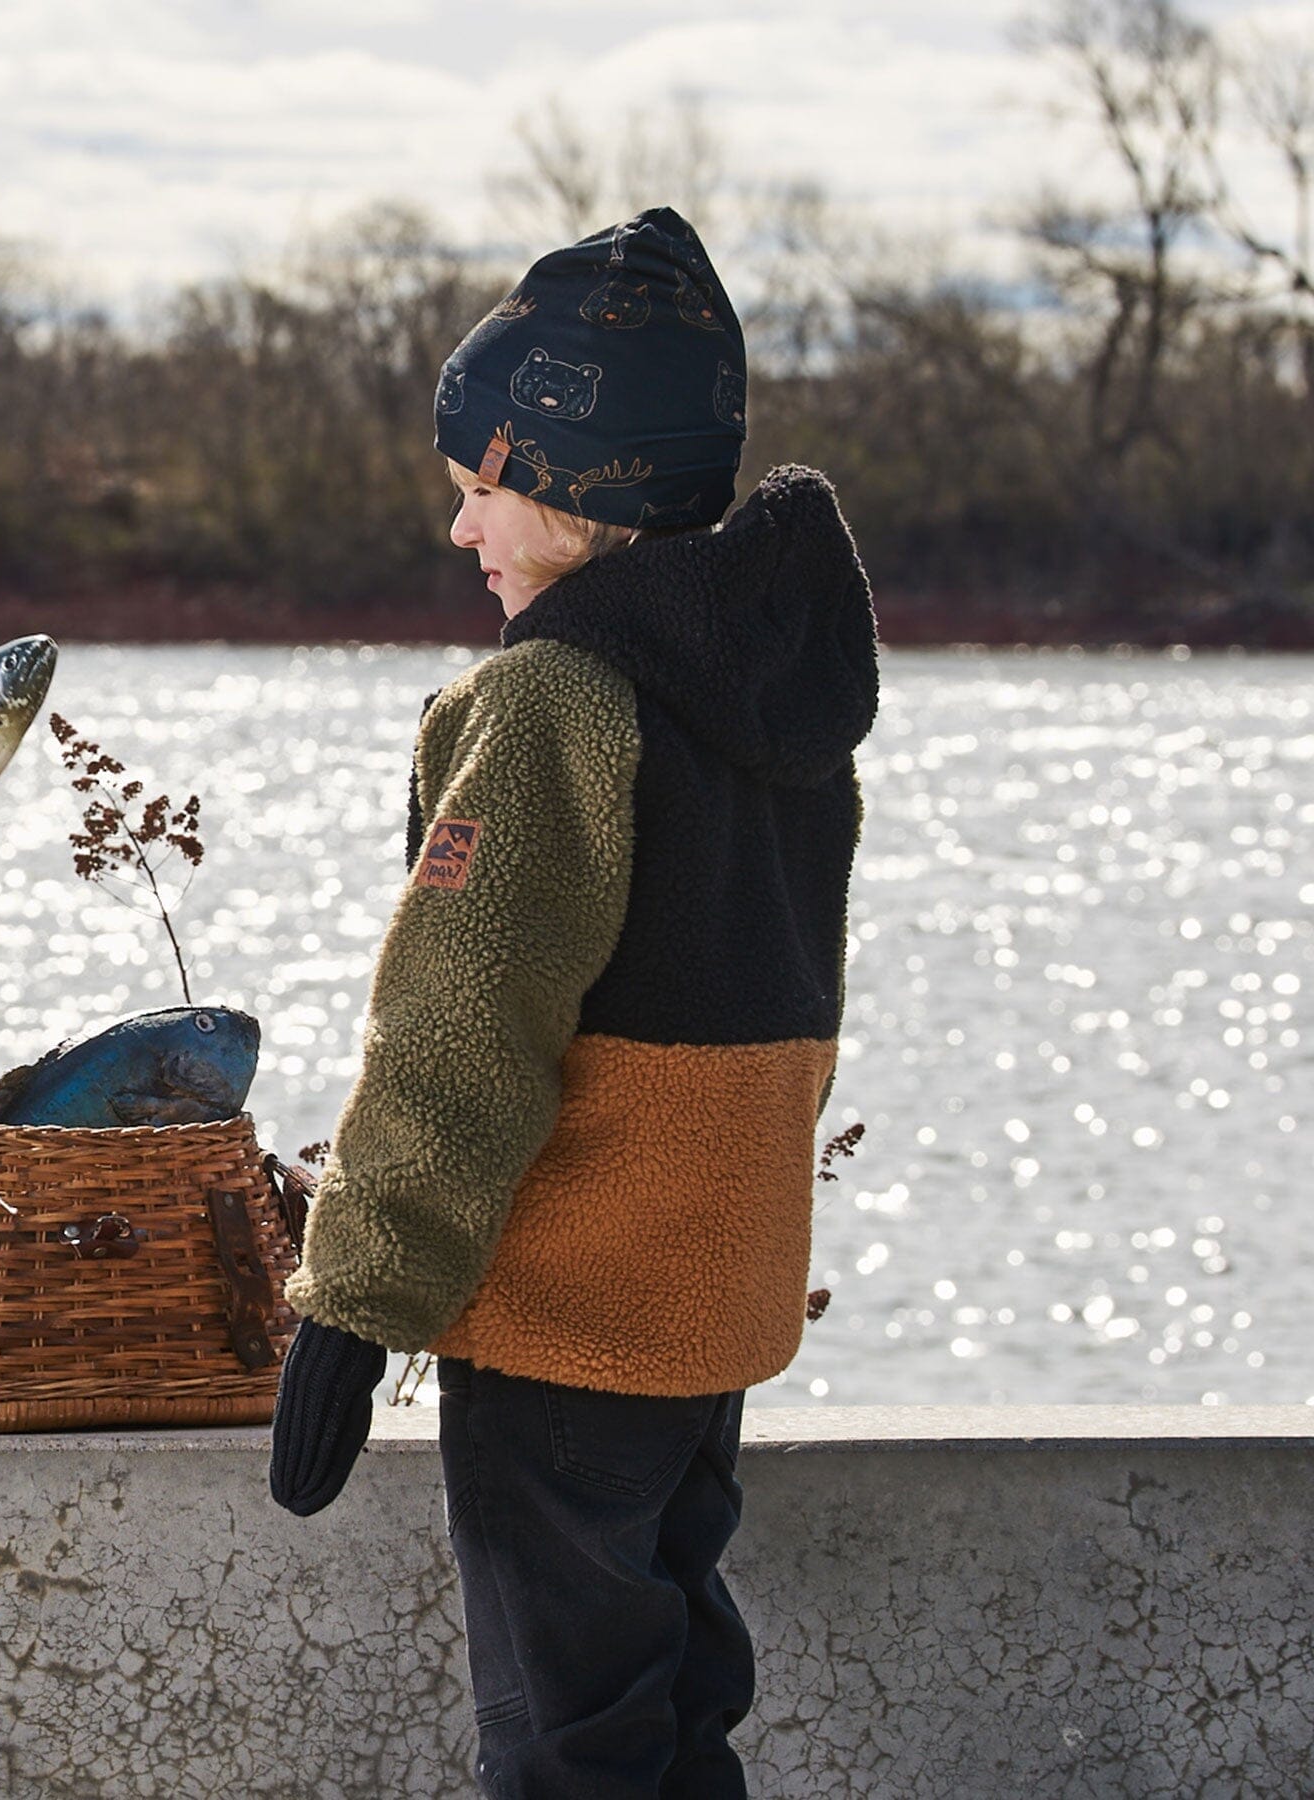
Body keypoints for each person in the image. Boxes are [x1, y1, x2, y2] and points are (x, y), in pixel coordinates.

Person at [269, 205, 879, 1799]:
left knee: (562, 1739)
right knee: (670, 1704)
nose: (464, 530)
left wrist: (355, 1305)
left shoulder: (551, 701)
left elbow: (460, 1034)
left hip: (572, 1309)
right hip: (708, 1300)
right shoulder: (771, 699)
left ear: (566, 482)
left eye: (480, 489)